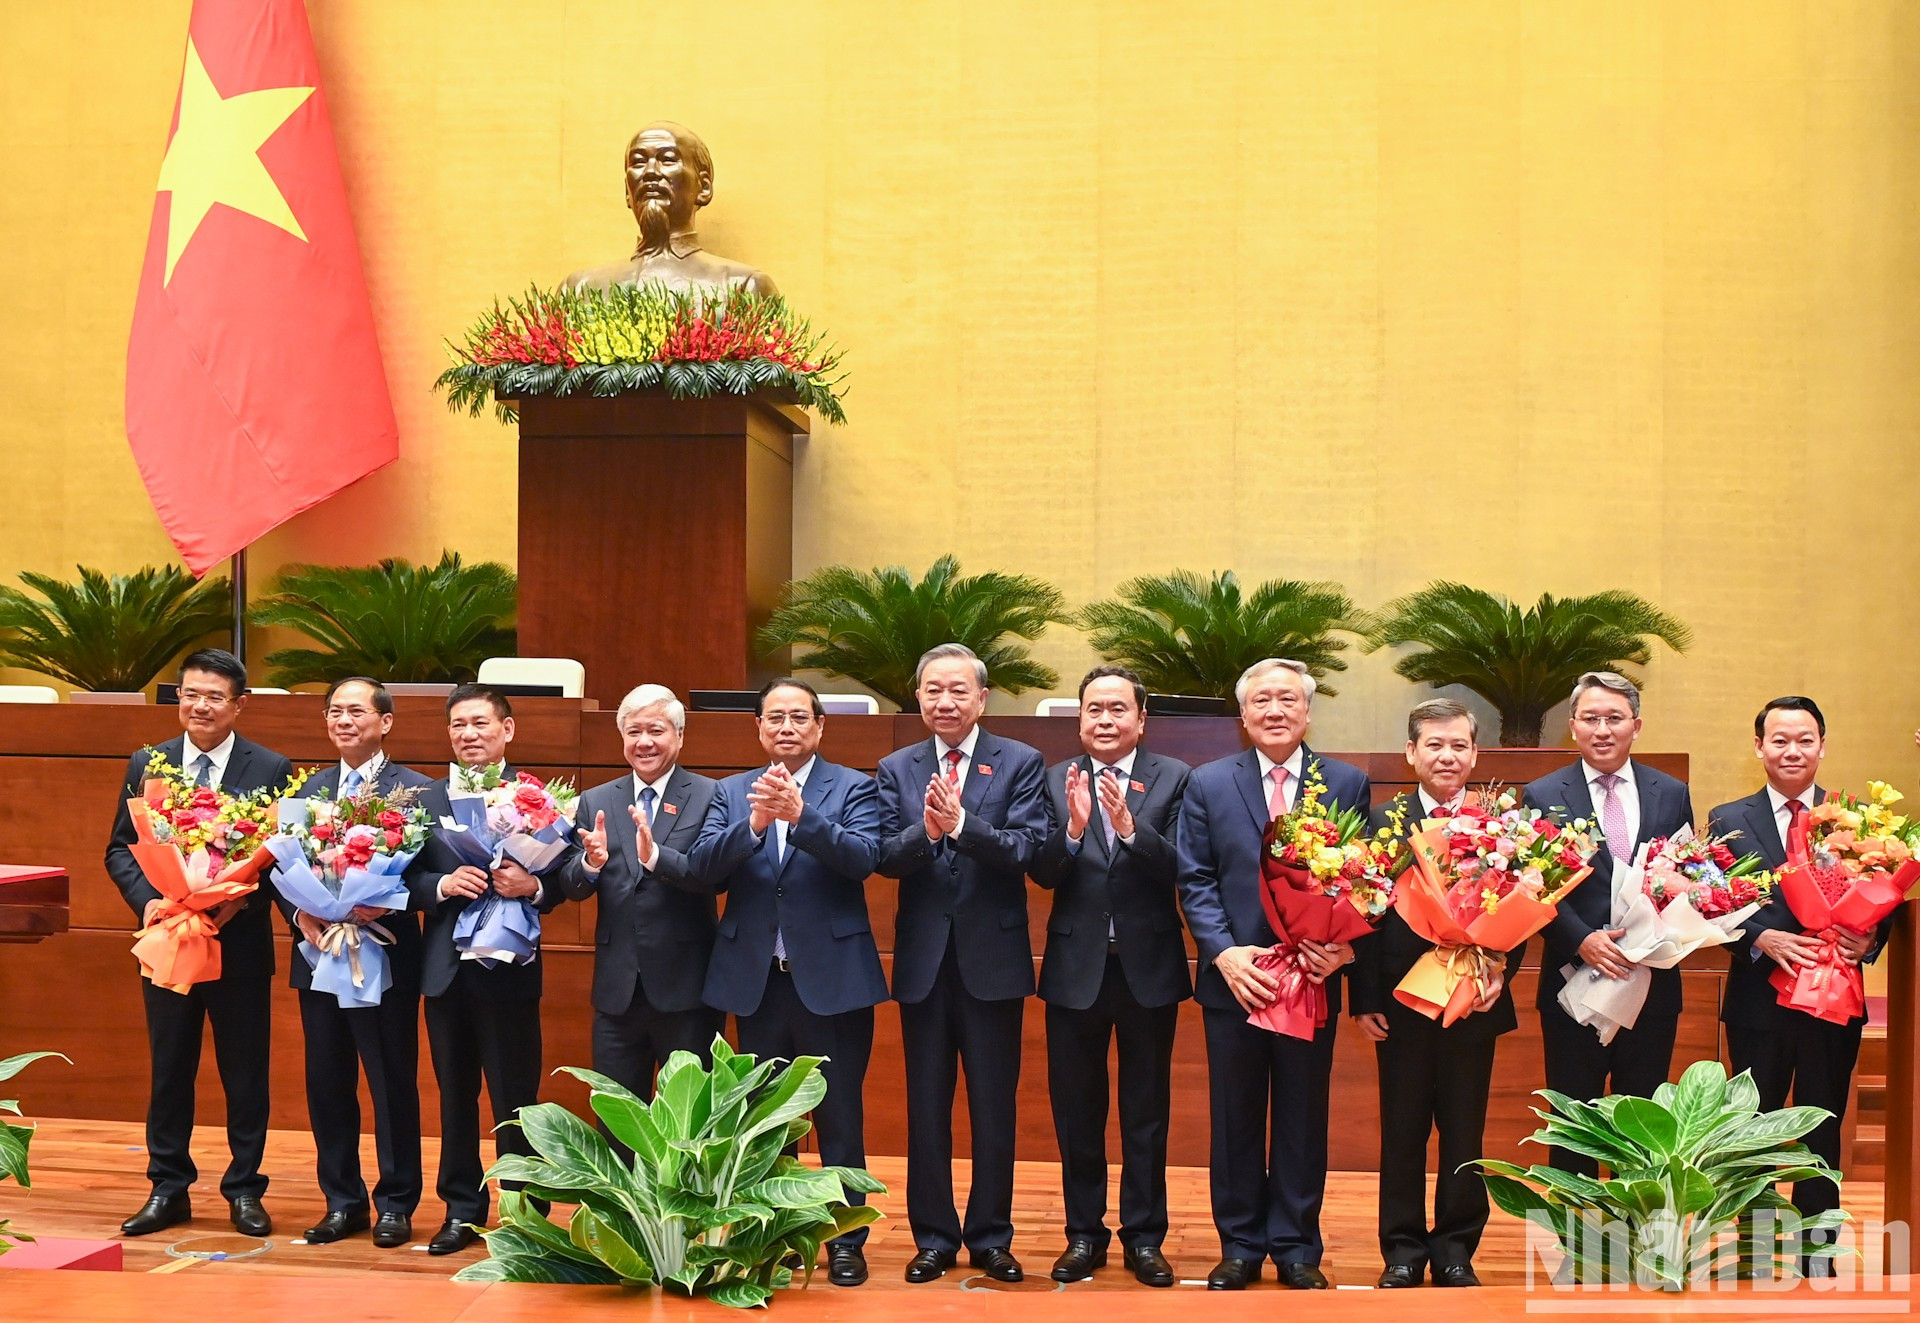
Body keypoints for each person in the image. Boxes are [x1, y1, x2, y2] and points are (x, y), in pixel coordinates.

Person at [661, 678, 885, 1287]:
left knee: (839, 1114)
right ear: (758, 727)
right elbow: (703, 870)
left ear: (819, 726)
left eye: (799, 717)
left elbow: (865, 858)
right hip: (757, 981)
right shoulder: (731, 792)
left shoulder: (853, 786)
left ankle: (844, 1238)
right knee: (766, 1120)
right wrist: (755, 824)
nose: (786, 727)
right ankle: (777, 1236)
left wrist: (802, 817)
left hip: (833, 981)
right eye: (775, 718)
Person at [1175, 657, 1370, 1290]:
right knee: (1234, 1116)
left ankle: (1295, 1245)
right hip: (1237, 980)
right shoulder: (1207, 782)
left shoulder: (1345, 782)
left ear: (1307, 711)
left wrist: (1341, 948)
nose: (1275, 710)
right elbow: (1195, 878)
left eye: (1288, 699)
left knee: (1301, 1115)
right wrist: (1223, 952)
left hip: (1310, 979)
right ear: (1243, 714)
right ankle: (1238, 1245)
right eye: (1261, 700)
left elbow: (1364, 880)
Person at [105, 648, 294, 1238]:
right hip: (170, 941)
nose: (200, 706)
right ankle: (167, 1187)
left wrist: (241, 900)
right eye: (191, 694)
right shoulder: (149, 763)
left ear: (239, 704)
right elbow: (119, 848)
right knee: (170, 1068)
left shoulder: (271, 767)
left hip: (238, 945)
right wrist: (150, 902)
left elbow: (283, 859)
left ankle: (245, 1189)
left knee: (245, 1072)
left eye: (215, 696)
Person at [876, 643, 1048, 1284]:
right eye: (933, 690)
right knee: (926, 1106)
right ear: (918, 697)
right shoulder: (896, 767)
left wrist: (962, 826)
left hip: (992, 961)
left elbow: (1027, 848)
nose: (944, 701)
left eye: (957, 690)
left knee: (993, 1105)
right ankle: (934, 1237)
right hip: (924, 962)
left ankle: (991, 1236)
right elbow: (884, 856)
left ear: (982, 697)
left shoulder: (1020, 761)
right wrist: (927, 833)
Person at [1029, 665, 1191, 1288]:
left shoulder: (1174, 777)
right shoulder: (1053, 779)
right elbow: (1042, 872)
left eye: (1118, 709)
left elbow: (1180, 866)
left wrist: (1129, 828)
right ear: (1079, 719)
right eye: (1093, 709)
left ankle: (1145, 1238)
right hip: (1076, 969)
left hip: (1148, 968)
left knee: (1146, 1112)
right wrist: (1073, 830)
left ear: (1141, 719)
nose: (1104, 719)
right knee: (1078, 1111)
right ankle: (1083, 1235)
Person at [1713, 696, 1885, 1277]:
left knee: (1823, 1123)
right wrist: (1762, 938)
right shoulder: (1727, 819)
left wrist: (1870, 940)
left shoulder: (1857, 821)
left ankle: (1818, 1249)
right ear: (1759, 746)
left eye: (1805, 739)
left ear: (1822, 746)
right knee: (1753, 1126)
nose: (1793, 750)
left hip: (1834, 1000)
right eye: (1780, 739)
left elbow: (1882, 899)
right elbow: (1712, 904)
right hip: (1758, 1001)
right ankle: (1756, 1249)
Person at [1351, 698, 1511, 1289]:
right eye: (1434, 745)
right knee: (1403, 1128)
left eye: (1458, 745)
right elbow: (1362, 918)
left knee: (1465, 1130)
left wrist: (1500, 971)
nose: (1447, 756)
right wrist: (1364, 998)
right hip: (1401, 1002)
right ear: (1411, 752)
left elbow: (1525, 908)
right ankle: (1401, 1249)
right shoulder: (1379, 823)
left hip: (1474, 999)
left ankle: (1455, 1249)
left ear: (1475, 754)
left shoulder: (1503, 825)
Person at [404, 683, 567, 1255]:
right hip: (445, 971)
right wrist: (442, 883)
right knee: (454, 1095)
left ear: (507, 729)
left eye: (480, 723)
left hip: (508, 971)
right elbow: (400, 878)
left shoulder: (538, 798)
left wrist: (533, 885)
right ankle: (461, 1210)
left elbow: (565, 877)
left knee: (515, 1097)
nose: (468, 734)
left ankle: (525, 1213)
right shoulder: (425, 798)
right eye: (458, 725)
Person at [283, 677, 433, 1248]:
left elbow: (428, 874)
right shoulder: (307, 790)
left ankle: (396, 1202)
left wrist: (386, 901)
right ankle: (341, 1201)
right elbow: (280, 869)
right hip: (319, 952)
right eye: (334, 711)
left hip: (385, 955)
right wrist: (302, 913)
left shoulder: (416, 792)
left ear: (385, 722)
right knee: (327, 1081)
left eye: (355, 711)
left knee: (391, 1081)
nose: (343, 720)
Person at [1524, 671, 1693, 1174]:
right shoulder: (1542, 793)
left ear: (1635, 726)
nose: (1603, 729)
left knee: (1643, 1129)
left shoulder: (1672, 792)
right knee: (1573, 1126)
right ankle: (1571, 1224)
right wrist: (1581, 940)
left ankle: (1637, 1225)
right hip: (1573, 982)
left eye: (1615, 718)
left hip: (1651, 984)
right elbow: (1532, 887)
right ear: (1573, 726)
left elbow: (1686, 875)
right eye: (1591, 718)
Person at [555, 685, 720, 1103]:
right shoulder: (595, 800)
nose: (643, 742)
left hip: (687, 989)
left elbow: (713, 875)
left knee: (689, 1120)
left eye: (656, 730)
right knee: (617, 1116)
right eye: (633, 732)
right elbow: (570, 885)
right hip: (617, 993)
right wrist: (590, 863)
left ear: (679, 736)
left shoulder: (709, 795)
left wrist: (656, 858)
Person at [564, 122, 779, 296]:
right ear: (627, 192)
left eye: (667, 159)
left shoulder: (743, 287)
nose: (650, 172)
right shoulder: (579, 289)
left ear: (703, 187)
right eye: (638, 162)